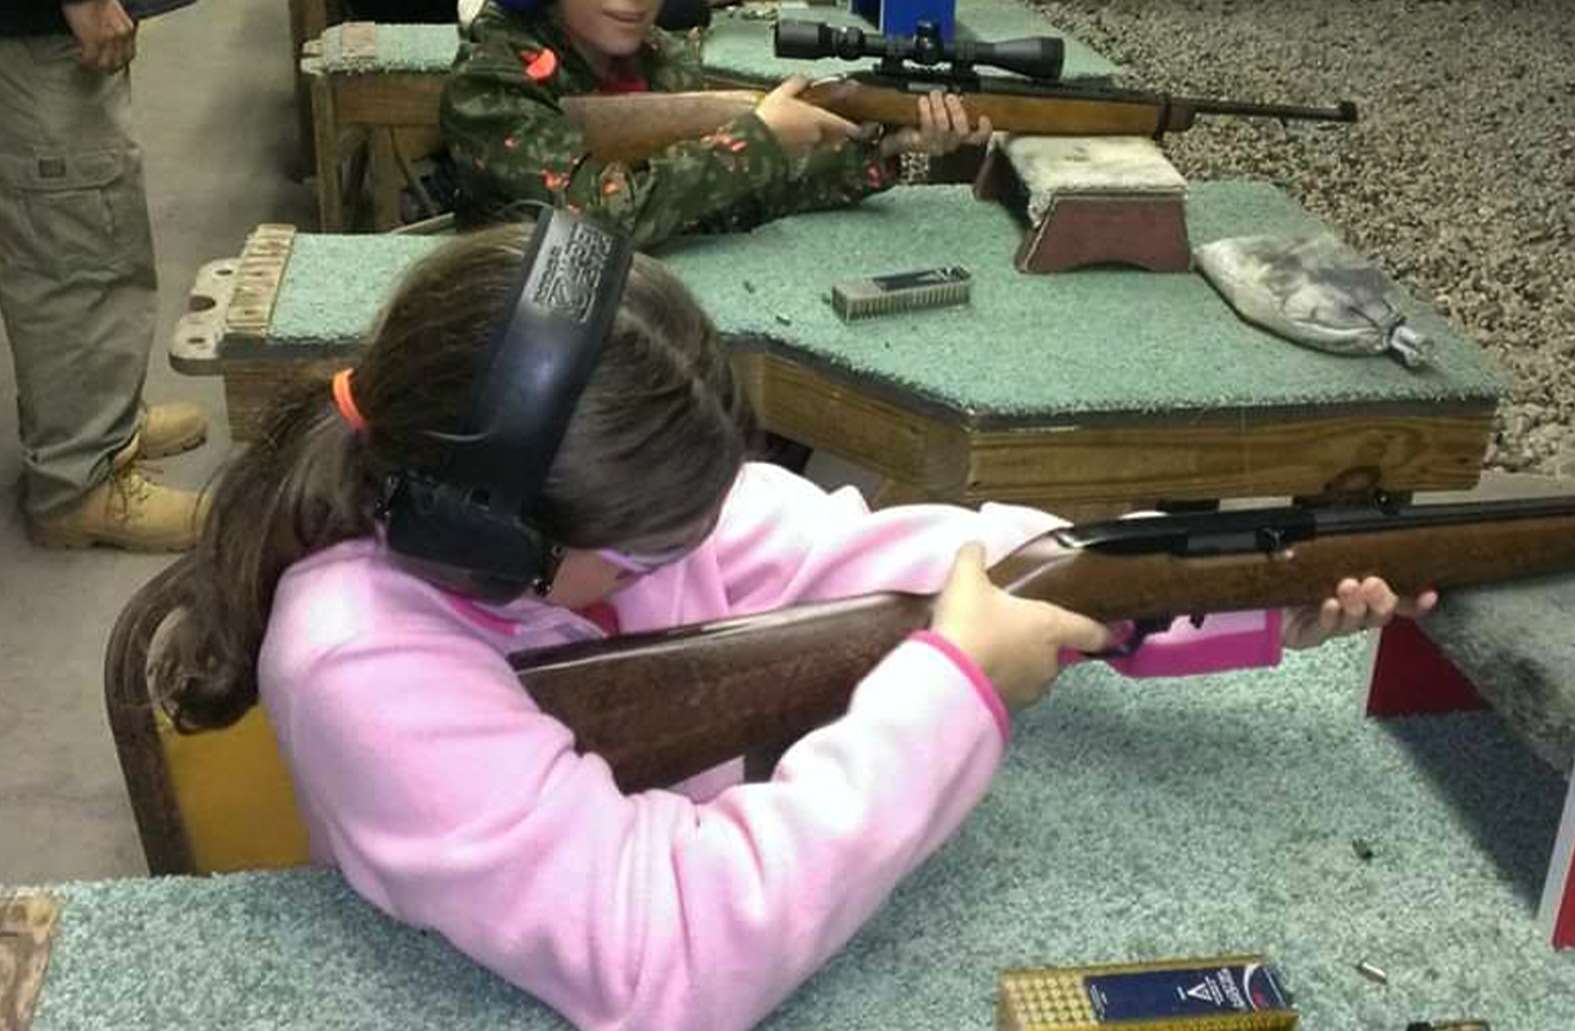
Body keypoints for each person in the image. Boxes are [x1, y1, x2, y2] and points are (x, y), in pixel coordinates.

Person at [169, 221, 1434, 1030]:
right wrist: (954, 692)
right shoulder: (358, 663)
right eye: (650, 549)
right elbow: (669, 955)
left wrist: (1204, 587)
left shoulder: (588, 501)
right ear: (497, 539)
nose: (688, 556)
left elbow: (925, 557)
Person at [441, 0, 987, 248]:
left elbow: (728, 198)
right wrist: (758, 139)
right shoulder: (491, 85)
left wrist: (880, 149)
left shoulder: (662, 58)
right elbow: (597, 218)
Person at [0, 0, 210, 551]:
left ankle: (97, 422)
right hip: (38, 30)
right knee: (75, 247)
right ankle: (79, 481)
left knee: (55, 226)